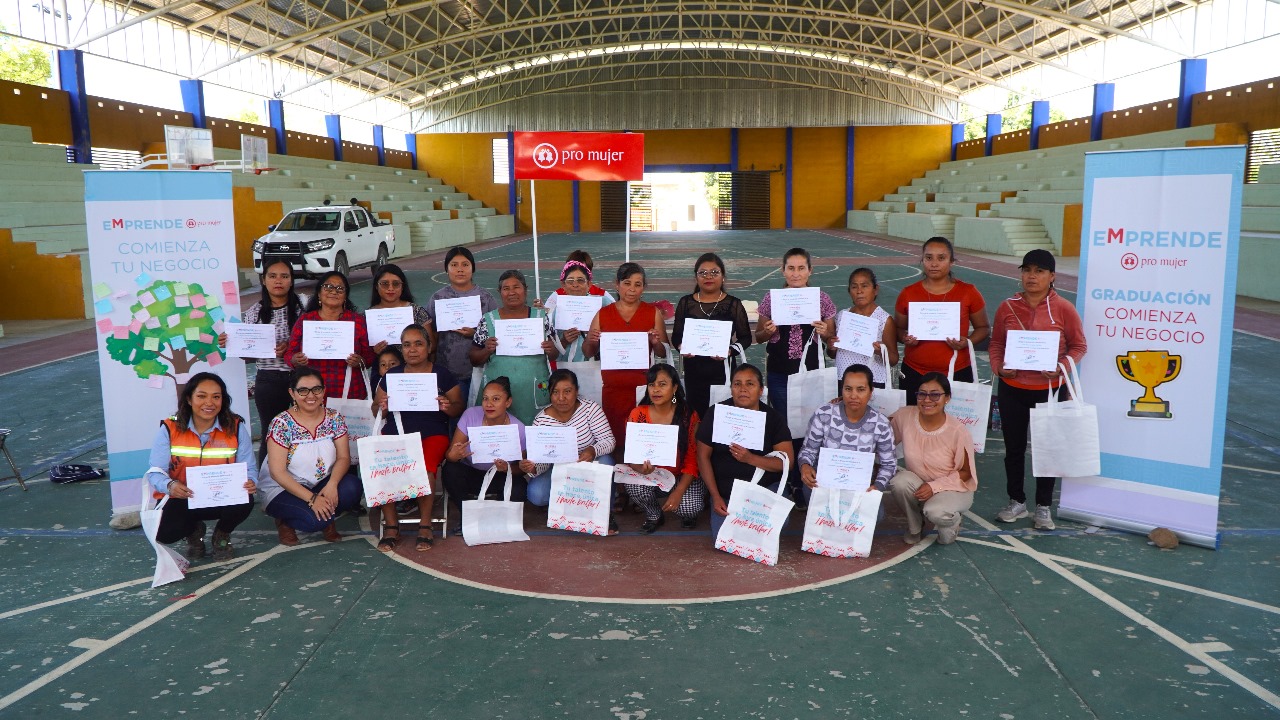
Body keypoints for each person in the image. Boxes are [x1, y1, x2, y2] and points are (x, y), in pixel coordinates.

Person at [988, 249, 1087, 531]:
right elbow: (996, 344)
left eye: (1039, 271)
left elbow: (1079, 346)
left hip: (1050, 390)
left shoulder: (1064, 308)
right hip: (1013, 388)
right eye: (1027, 270)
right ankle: (1016, 501)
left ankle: (1043, 506)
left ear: (1052, 276)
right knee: (1014, 448)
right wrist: (999, 367)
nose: (1032, 276)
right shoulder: (1007, 307)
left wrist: (1061, 367)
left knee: (1048, 450)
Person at [144, 372, 258, 561]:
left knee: (245, 499)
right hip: (183, 497)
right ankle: (194, 531)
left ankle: (222, 534)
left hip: (221, 497)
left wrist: (251, 481)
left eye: (216, 397)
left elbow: (249, 468)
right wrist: (170, 485)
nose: (209, 403)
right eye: (201, 396)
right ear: (189, 399)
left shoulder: (235, 427)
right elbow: (155, 472)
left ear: (223, 400)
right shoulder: (169, 428)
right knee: (163, 532)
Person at [371, 324, 465, 552]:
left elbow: (458, 407)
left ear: (429, 347)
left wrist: (447, 406)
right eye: (406, 345)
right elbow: (375, 410)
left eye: (418, 344)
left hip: (432, 434)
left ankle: (425, 524)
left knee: (426, 469)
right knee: (383, 467)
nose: (412, 349)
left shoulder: (441, 374)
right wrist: (382, 406)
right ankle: (391, 526)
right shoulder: (392, 375)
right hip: (397, 432)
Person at [754, 247, 836, 502]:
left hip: (811, 374)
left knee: (811, 427)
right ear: (783, 270)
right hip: (780, 374)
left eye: (801, 268)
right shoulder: (772, 299)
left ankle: (806, 478)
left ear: (810, 271)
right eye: (791, 268)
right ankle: (789, 479)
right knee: (785, 427)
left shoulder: (821, 299)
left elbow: (832, 340)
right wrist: (768, 331)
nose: (796, 273)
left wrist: (825, 332)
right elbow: (759, 336)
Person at [259, 368, 365, 545]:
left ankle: (325, 514)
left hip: (321, 482)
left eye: (316, 389)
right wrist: (312, 499)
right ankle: (285, 521)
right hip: (284, 488)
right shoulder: (281, 423)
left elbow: (344, 458)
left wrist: (332, 484)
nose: (311, 395)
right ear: (292, 393)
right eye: (303, 390)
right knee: (315, 521)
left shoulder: (334, 418)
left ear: (323, 391)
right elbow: (277, 473)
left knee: (353, 488)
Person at [696, 363, 796, 538]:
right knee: (724, 537)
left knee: (776, 524)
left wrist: (750, 458)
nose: (743, 389)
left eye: (750, 384)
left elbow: (787, 462)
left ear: (761, 390)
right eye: (737, 384)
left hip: (764, 488)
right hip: (726, 492)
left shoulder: (774, 419)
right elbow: (702, 456)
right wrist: (715, 496)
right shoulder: (717, 413)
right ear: (731, 389)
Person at [582, 262, 670, 455]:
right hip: (613, 391)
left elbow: (663, 352)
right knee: (615, 442)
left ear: (644, 287)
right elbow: (588, 352)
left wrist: (655, 342)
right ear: (617, 284)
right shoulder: (603, 314)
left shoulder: (652, 313)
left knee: (641, 441)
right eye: (627, 283)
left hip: (642, 390)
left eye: (638, 284)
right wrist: (590, 340)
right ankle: (616, 474)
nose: (632, 289)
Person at [894, 237, 990, 403]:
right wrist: (905, 338)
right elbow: (898, 329)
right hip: (915, 372)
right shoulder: (908, 293)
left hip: (957, 371)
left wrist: (966, 342)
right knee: (913, 417)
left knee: (955, 418)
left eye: (941, 258)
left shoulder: (968, 292)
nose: (934, 263)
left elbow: (983, 328)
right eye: (929, 258)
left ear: (951, 261)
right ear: (922, 260)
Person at [797, 364, 897, 520]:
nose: (853, 395)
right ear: (842, 390)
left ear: (871, 392)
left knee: (876, 515)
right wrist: (805, 466)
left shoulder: (881, 424)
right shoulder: (824, 414)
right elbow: (809, 450)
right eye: (848, 389)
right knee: (822, 513)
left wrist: (877, 486)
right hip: (824, 483)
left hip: (859, 486)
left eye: (861, 389)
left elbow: (889, 464)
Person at [889, 373, 977, 545]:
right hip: (919, 483)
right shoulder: (904, 416)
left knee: (937, 516)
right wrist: (845, 405)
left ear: (947, 398)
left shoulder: (958, 431)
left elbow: (966, 473)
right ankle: (915, 527)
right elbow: (878, 431)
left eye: (935, 395)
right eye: (922, 394)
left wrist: (934, 486)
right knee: (899, 482)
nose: (927, 400)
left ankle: (953, 521)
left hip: (953, 488)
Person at [618, 363, 704, 533]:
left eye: (662, 384)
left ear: (675, 388)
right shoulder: (638, 413)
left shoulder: (688, 415)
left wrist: (678, 492)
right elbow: (632, 456)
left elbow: (693, 458)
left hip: (681, 475)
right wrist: (640, 469)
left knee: (689, 508)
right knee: (633, 485)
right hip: (653, 475)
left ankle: (687, 512)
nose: (656, 389)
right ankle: (654, 514)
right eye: (652, 384)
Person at [235, 259, 307, 463]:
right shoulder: (254, 313)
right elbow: (246, 355)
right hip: (269, 380)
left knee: (305, 430)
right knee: (272, 431)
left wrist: (291, 347)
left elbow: (316, 337)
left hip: (303, 379)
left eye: (284, 276)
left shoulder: (304, 305)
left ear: (291, 280)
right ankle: (269, 479)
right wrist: (234, 343)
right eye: (272, 276)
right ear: (263, 280)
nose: (278, 281)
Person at [469, 269, 557, 424]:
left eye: (516, 287)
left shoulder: (540, 317)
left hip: (533, 390)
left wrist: (551, 349)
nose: (511, 292)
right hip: (497, 393)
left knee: (535, 429)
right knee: (500, 430)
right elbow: (474, 359)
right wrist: (486, 350)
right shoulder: (488, 320)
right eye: (506, 288)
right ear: (499, 292)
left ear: (525, 290)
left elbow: (555, 354)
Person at [519, 369, 617, 508]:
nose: (561, 398)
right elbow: (543, 461)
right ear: (549, 394)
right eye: (555, 392)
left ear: (576, 391)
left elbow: (609, 440)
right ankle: (572, 503)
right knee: (537, 494)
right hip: (558, 469)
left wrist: (592, 450)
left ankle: (603, 509)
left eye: (567, 391)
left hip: (588, 464)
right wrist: (533, 467)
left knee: (606, 462)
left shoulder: (590, 409)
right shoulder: (541, 421)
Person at [671, 252, 753, 417]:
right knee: (696, 418)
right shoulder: (685, 303)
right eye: (703, 273)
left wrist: (730, 351)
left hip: (723, 372)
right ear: (696, 277)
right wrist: (681, 347)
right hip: (694, 371)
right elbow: (676, 336)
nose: (708, 276)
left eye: (714, 272)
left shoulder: (733, 304)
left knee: (722, 416)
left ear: (723, 276)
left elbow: (746, 337)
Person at [441, 377, 529, 523]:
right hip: (472, 473)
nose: (489, 404)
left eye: (496, 399)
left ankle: (499, 521)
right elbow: (450, 455)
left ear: (508, 402)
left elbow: (522, 469)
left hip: (499, 476)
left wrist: (507, 468)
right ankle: (469, 518)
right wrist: (454, 455)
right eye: (485, 398)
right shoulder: (470, 415)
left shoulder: (518, 428)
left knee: (520, 487)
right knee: (450, 470)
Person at [425, 246, 498, 408]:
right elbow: (431, 335)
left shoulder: (485, 298)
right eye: (454, 265)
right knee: (453, 415)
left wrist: (475, 334)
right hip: (447, 371)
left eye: (465, 264)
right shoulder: (438, 298)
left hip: (481, 371)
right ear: (446, 269)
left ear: (473, 268)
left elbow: (496, 333)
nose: (460, 269)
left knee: (480, 414)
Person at [286, 270, 376, 400]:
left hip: (350, 391)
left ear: (345, 296)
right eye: (328, 287)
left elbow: (369, 357)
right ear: (319, 293)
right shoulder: (306, 320)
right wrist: (295, 360)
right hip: (312, 392)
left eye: (340, 288)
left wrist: (359, 361)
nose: (334, 291)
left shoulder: (357, 321)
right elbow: (289, 354)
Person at [366, 263, 435, 387]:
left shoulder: (417, 311)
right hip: (381, 376)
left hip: (415, 373)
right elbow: (363, 354)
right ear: (376, 286)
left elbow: (431, 345)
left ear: (403, 286)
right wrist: (373, 352)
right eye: (384, 284)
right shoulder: (368, 316)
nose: (390, 288)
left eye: (396, 284)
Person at [830, 268, 898, 390]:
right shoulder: (842, 316)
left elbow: (893, 359)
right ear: (849, 291)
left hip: (873, 380)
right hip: (844, 378)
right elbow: (833, 354)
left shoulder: (884, 320)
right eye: (854, 287)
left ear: (875, 289)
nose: (859, 291)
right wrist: (831, 347)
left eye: (864, 286)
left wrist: (880, 351)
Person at [549, 259, 614, 362]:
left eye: (580, 280)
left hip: (596, 364)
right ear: (563, 285)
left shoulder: (602, 303)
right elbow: (552, 349)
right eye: (570, 281)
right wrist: (564, 341)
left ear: (589, 284)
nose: (575, 285)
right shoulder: (557, 311)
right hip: (566, 365)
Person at [542, 249, 615, 313]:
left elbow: (616, 312)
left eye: (583, 269)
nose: (575, 284)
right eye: (573, 268)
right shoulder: (557, 295)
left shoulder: (602, 295)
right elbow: (548, 314)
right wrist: (543, 310)